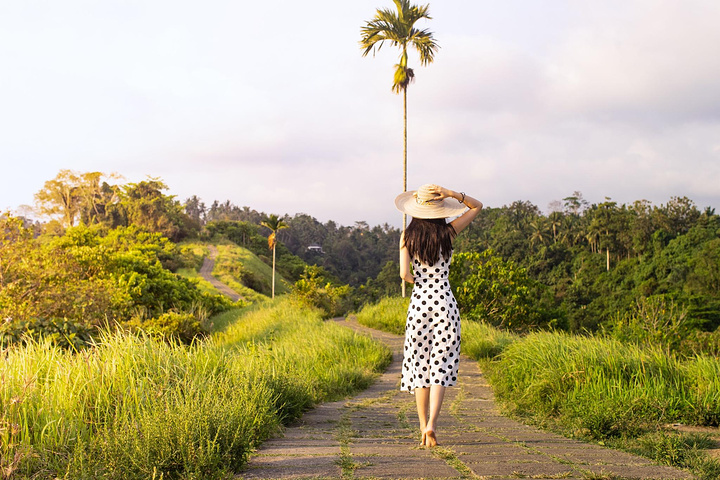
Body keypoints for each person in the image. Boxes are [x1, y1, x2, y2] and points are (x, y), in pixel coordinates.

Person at [394, 184, 483, 447]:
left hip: (420, 302)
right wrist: (454, 195)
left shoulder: (407, 236)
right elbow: (477, 206)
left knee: (420, 365)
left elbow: (403, 274)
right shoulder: (448, 232)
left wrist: (418, 281)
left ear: (417, 209)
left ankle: (423, 428)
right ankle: (433, 423)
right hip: (444, 300)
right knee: (440, 365)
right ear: (439, 208)